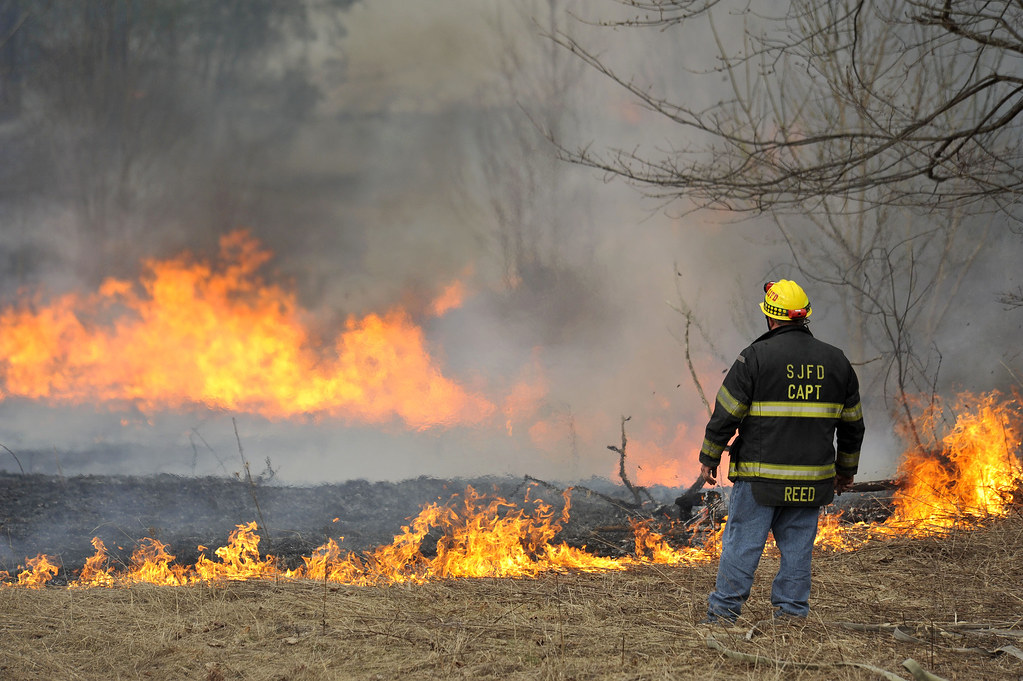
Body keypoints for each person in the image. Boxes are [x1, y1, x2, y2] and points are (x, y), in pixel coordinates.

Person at [698, 279, 865, 623]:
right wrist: (846, 471)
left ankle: (724, 614)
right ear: (804, 317)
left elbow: (726, 411)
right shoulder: (837, 362)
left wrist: (709, 456)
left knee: (742, 545)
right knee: (798, 550)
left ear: (770, 319)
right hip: (811, 480)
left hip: (761, 479)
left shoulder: (755, 357)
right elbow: (852, 425)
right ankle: (791, 614)